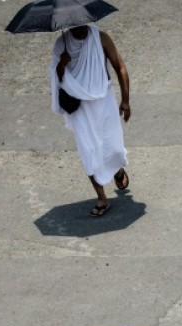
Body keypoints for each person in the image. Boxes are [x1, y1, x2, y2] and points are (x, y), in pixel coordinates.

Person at [50, 24, 131, 218]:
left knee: (114, 147)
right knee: (88, 151)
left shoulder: (101, 38)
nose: (79, 29)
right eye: (74, 26)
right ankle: (101, 197)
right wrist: (61, 63)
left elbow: (120, 67)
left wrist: (126, 101)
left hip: (104, 101)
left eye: (82, 25)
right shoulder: (61, 44)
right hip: (80, 106)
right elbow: (57, 76)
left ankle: (117, 169)